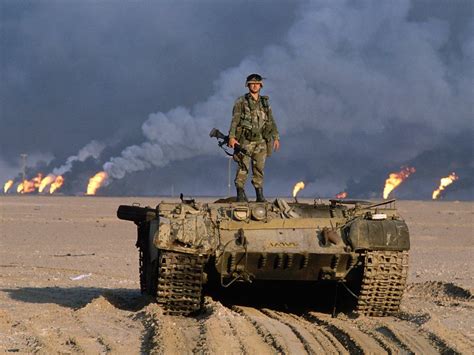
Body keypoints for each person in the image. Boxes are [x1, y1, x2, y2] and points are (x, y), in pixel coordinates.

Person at [228, 73, 280, 202]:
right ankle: (240, 193)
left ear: (261, 85)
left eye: (257, 84)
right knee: (243, 167)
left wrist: (276, 137)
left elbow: (271, 120)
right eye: (252, 84)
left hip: (261, 140)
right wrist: (232, 137)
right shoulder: (241, 101)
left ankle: (259, 195)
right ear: (248, 85)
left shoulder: (265, 102)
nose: (255, 86)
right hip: (245, 140)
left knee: (259, 169)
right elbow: (235, 120)